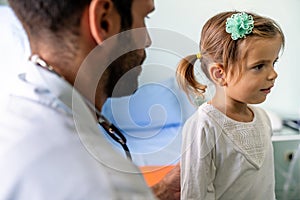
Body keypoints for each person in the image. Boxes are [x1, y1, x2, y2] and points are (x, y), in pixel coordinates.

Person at [0, 0, 180, 199]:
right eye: (144, 17)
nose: (147, 40)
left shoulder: (15, 107)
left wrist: (159, 192)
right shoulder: (107, 184)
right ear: (104, 21)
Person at [176, 11, 285, 199]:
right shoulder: (203, 126)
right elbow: (196, 194)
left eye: (273, 63)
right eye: (259, 66)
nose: (273, 74)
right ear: (220, 74)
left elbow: (266, 188)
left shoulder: (263, 119)